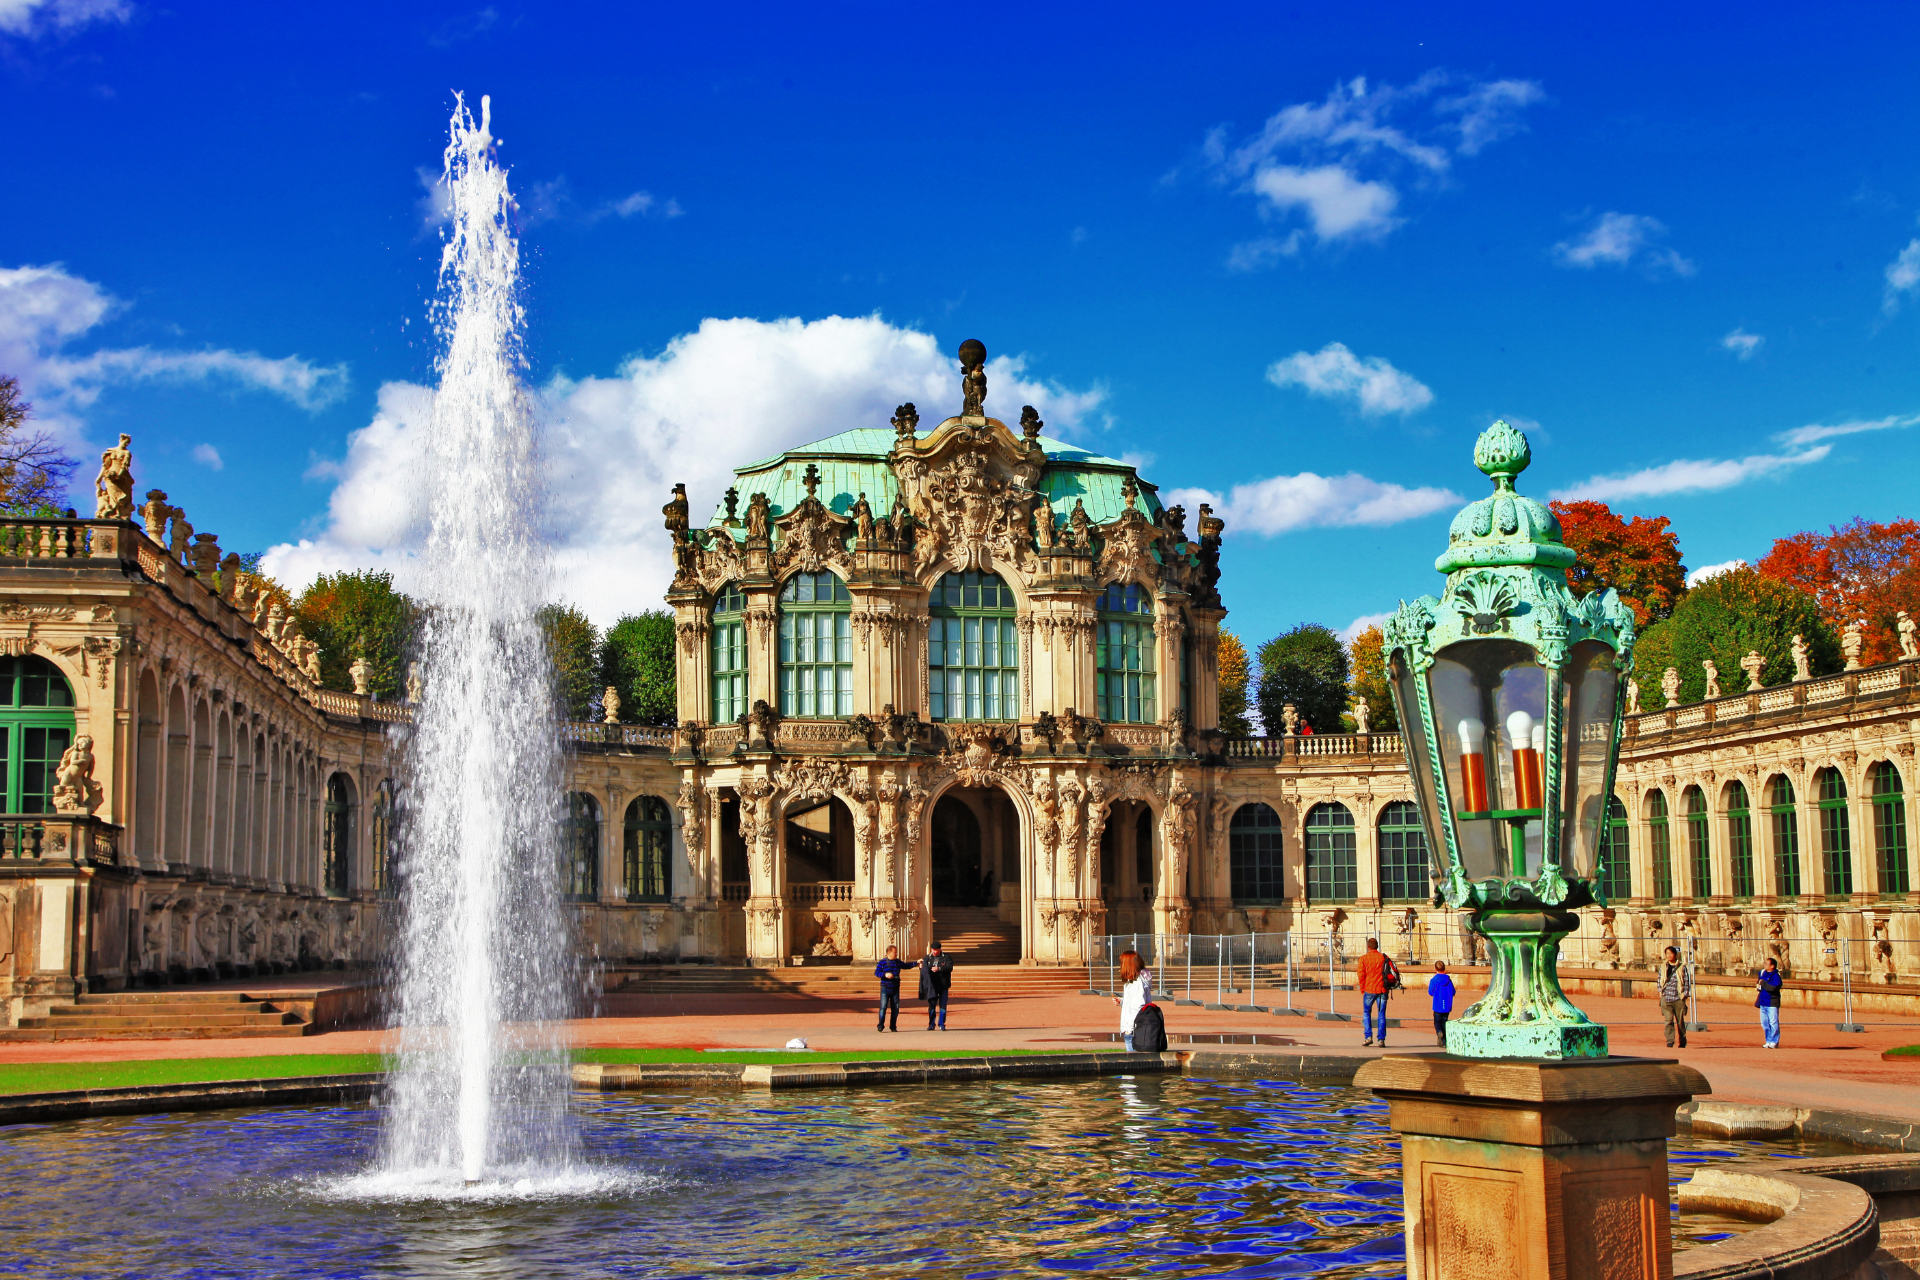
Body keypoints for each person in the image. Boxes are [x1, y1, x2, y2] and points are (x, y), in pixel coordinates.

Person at [874, 944, 920, 1032]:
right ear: (889, 953)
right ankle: (880, 1025)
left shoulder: (897, 962)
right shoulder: (882, 962)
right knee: (883, 1007)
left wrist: (916, 962)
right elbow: (876, 973)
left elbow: (907, 966)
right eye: (894, 952)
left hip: (895, 988)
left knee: (895, 1008)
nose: (896, 954)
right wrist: (885, 975)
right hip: (885, 988)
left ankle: (893, 1026)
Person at [1114, 949, 1153, 1051]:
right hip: (1137, 1029)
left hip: (1134, 1031)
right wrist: (1122, 1001)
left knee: (1134, 1062)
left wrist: (1129, 1030)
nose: (1120, 966)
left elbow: (1138, 1007)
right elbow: (1134, 1001)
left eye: (1122, 963)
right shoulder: (1132, 981)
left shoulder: (1137, 982)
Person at [1357, 937, 1390, 1047]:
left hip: (1369, 988)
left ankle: (1368, 1036)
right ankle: (1381, 1039)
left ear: (1368, 947)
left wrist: (1362, 988)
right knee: (1381, 1014)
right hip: (1382, 988)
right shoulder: (1383, 957)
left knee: (1367, 1012)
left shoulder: (1363, 958)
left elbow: (1361, 975)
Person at [1658, 945, 1691, 1049]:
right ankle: (1670, 1041)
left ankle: (1682, 1040)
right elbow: (1659, 980)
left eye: (1671, 953)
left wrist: (1684, 994)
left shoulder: (1682, 967)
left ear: (1675, 954)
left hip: (1678, 998)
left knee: (1680, 1021)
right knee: (1668, 1020)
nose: (1669, 955)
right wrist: (1660, 992)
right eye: (1667, 953)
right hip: (1666, 997)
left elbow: (1686, 981)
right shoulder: (1663, 967)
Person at [920, 941, 954, 1030]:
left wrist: (939, 968)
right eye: (933, 950)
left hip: (943, 985)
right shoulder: (927, 958)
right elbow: (923, 970)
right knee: (932, 1006)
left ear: (940, 949)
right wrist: (921, 967)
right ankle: (931, 1024)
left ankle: (941, 1024)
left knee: (943, 1006)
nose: (935, 952)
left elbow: (949, 967)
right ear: (931, 949)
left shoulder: (946, 957)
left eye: (936, 950)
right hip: (932, 986)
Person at [1756, 956, 1783, 1048]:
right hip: (1763, 1001)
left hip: (1772, 1002)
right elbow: (1758, 984)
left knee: (1773, 1022)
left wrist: (1763, 983)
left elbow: (1774, 987)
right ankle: (1768, 1040)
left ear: (1772, 966)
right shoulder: (1762, 973)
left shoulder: (1776, 975)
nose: (1764, 965)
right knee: (1764, 1023)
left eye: (1767, 964)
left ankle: (1774, 1041)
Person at [1429, 960, 1455, 1047]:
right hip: (1447, 1004)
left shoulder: (1434, 980)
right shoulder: (1448, 980)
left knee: (1437, 1021)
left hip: (1437, 1004)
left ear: (1435, 969)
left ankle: (1439, 1032)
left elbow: (1430, 992)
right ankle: (1444, 1041)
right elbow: (1453, 991)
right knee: (1444, 1021)